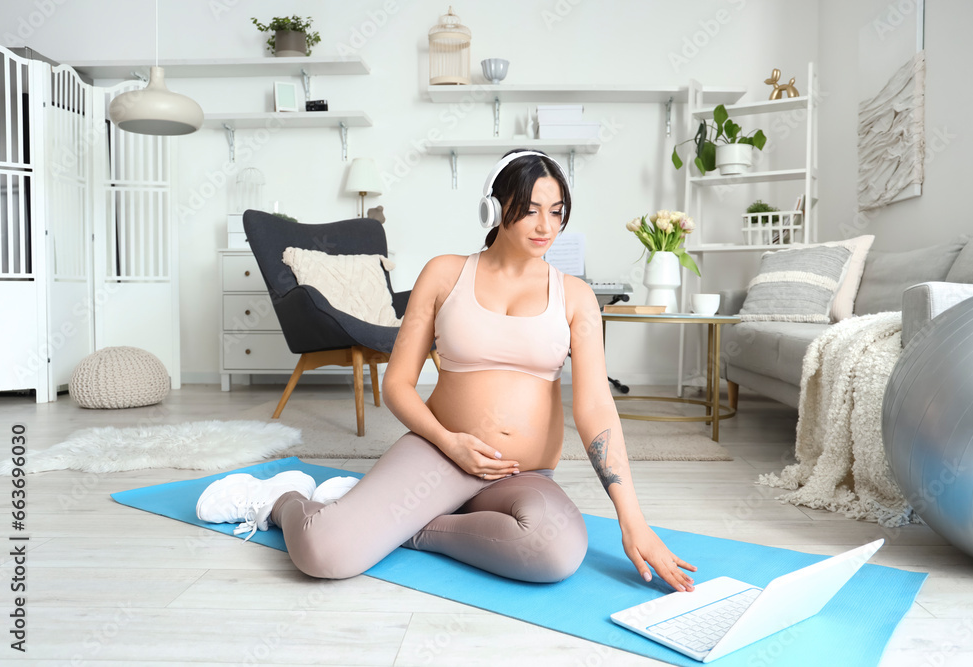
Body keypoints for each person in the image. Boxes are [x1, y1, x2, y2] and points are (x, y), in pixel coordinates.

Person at [196, 149, 697, 591]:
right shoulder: (444, 273)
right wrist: (450, 441)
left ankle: (397, 523)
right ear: (495, 208)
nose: (546, 227)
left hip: (520, 473)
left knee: (556, 552)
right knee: (324, 554)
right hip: (438, 454)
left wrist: (633, 520)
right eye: (529, 211)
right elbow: (397, 384)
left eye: (556, 212)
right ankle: (280, 499)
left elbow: (595, 406)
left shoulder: (577, 296)